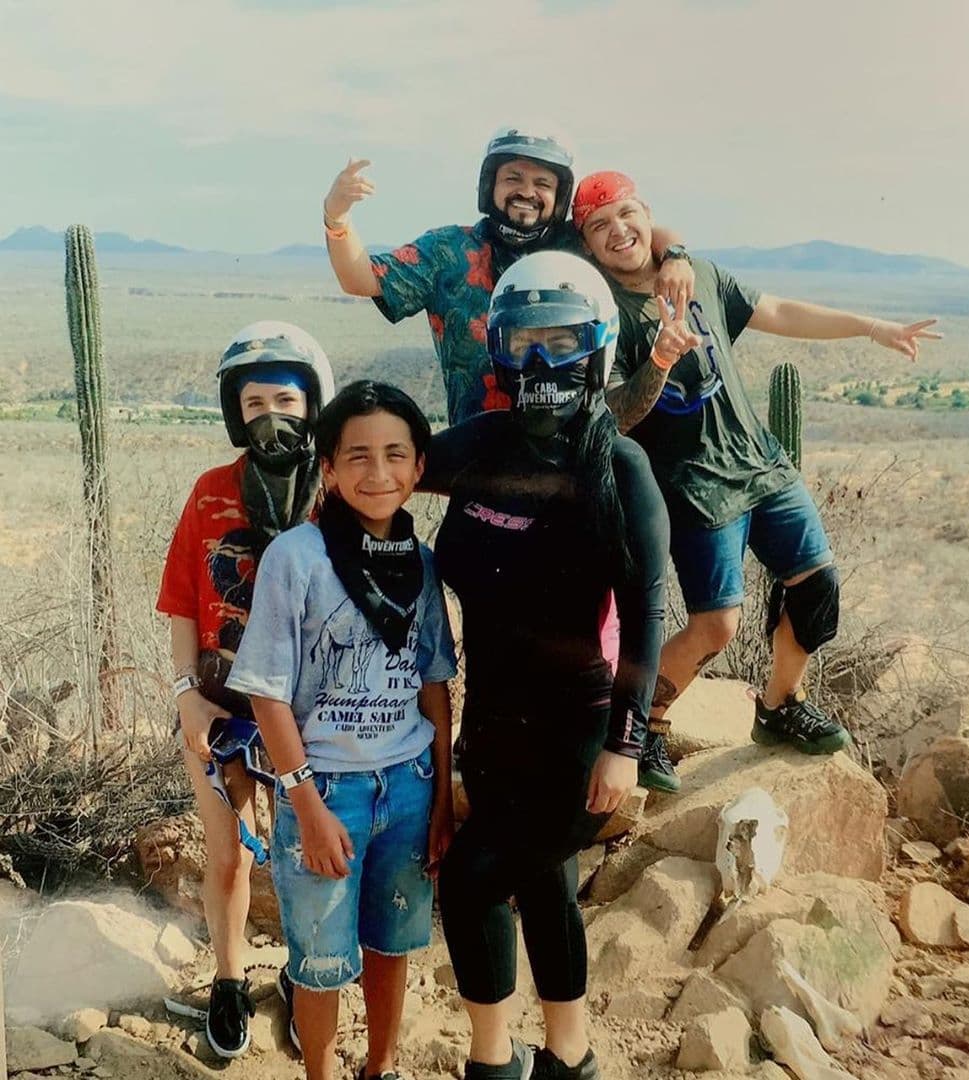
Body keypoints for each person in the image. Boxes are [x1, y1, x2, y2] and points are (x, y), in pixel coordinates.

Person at [572, 171, 941, 792]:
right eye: (599, 226)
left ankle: (778, 706)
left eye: (626, 215)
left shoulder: (699, 276)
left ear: (647, 214)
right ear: (585, 245)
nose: (618, 232)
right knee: (717, 624)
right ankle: (646, 727)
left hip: (760, 462)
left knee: (816, 588)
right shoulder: (601, 314)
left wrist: (870, 327)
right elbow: (617, 416)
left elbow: (777, 311)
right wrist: (660, 359)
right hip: (693, 484)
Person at [421, 251, 669, 1080]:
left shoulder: (618, 468)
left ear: (595, 348)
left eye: (561, 341)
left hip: (578, 730)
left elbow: (645, 615)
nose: (540, 363)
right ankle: (569, 1058)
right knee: (548, 889)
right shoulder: (482, 446)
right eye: (524, 340)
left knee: (471, 880)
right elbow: (388, 466)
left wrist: (626, 746)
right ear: (498, 345)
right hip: (492, 721)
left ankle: (492, 1068)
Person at [226, 380, 458, 1080]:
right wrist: (307, 806)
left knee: (393, 944)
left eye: (396, 454)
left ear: (420, 467)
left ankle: (380, 1068)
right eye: (356, 455)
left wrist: (444, 795)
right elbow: (267, 695)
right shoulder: (296, 557)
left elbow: (436, 687)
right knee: (321, 961)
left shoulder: (420, 562)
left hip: (410, 784)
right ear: (327, 466)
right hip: (325, 789)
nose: (377, 473)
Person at [156, 321, 334, 1058]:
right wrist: (182, 694)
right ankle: (229, 981)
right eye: (254, 402)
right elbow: (182, 602)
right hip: (221, 704)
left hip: (310, 712)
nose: (270, 416)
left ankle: (303, 976)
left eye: (285, 400)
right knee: (228, 852)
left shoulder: (336, 490)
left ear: (311, 404)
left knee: (300, 855)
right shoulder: (209, 494)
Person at [322, 126, 695, 426]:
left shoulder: (576, 245)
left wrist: (676, 255)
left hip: (574, 457)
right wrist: (337, 217)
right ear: (491, 185)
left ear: (559, 195)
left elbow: (639, 237)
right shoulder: (448, 251)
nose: (526, 192)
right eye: (513, 178)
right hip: (481, 456)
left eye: (543, 184)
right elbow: (360, 278)